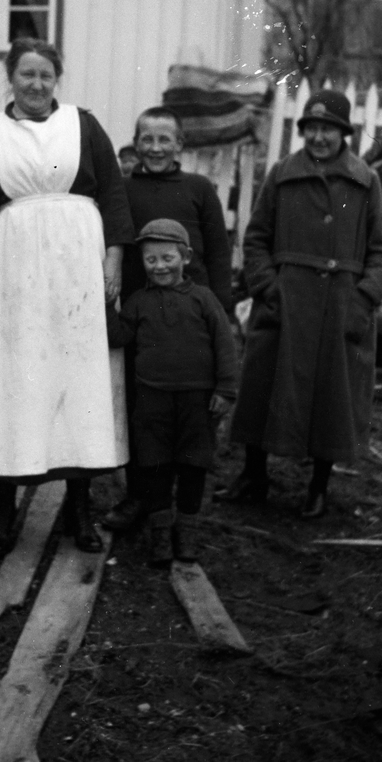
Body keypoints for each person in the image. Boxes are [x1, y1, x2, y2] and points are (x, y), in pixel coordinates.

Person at [0, 38, 134, 555]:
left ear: (57, 79)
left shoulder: (83, 125)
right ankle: (4, 509)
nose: (36, 84)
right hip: (15, 265)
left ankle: (80, 506)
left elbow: (113, 194)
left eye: (46, 75)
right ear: (11, 77)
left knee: (79, 378)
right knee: (15, 378)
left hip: (78, 262)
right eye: (26, 74)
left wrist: (113, 260)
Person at [215, 89, 382, 517]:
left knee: (332, 396)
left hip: (341, 308)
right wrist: (267, 287)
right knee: (263, 386)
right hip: (285, 303)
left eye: (327, 129)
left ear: (343, 133)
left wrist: (362, 299)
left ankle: (318, 485)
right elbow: (255, 238)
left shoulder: (365, 181)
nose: (318, 137)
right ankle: (253, 475)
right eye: (311, 128)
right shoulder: (280, 175)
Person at [103, 106, 233, 532]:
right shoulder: (121, 189)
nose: (155, 148)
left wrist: (221, 309)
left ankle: (185, 506)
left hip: (190, 320)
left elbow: (217, 250)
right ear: (136, 143)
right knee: (143, 412)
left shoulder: (199, 188)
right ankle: (140, 495)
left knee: (191, 414)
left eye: (165, 140)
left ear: (180, 144)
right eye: (147, 139)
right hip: (140, 316)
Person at [106, 219, 237, 565]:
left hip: (197, 402)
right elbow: (118, 337)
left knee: (194, 466)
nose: (160, 266)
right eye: (151, 260)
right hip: (152, 401)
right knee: (155, 468)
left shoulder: (204, 300)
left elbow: (225, 345)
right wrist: (106, 304)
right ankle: (161, 536)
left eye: (168, 258)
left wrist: (225, 390)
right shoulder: (137, 302)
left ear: (186, 258)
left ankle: (187, 535)